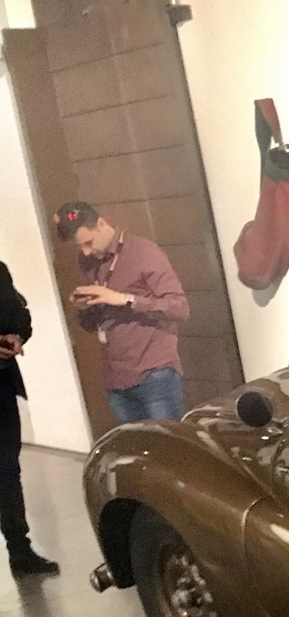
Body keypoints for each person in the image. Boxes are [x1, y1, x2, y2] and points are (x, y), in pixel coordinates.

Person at [53, 201, 189, 423]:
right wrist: (86, 307)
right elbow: (93, 323)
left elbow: (179, 307)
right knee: (131, 444)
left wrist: (124, 299)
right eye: (79, 246)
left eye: (88, 242)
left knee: (167, 443)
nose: (85, 251)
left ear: (101, 224)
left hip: (154, 373)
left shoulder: (144, 252)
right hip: (115, 379)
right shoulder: (87, 261)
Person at [0, 262, 60, 578]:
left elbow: (19, 313)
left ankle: (20, 552)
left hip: (1, 388)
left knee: (8, 471)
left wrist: (17, 335)